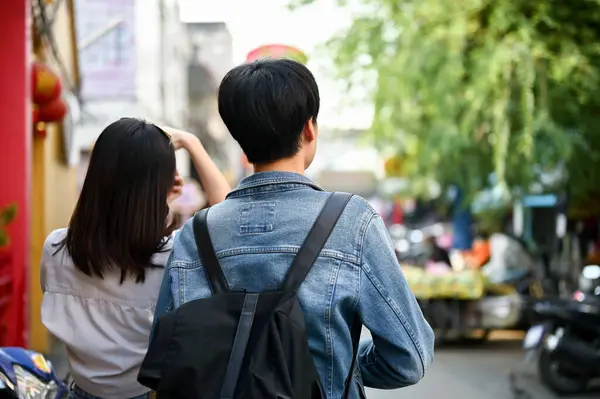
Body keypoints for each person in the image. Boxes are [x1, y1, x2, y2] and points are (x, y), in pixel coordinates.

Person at [152, 59, 434, 398]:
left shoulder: (194, 235)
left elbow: (166, 354)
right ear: (309, 130)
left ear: (241, 141)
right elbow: (409, 358)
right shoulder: (352, 222)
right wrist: (338, 367)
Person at [40, 118, 230, 399]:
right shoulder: (174, 254)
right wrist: (192, 142)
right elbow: (227, 217)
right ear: (162, 188)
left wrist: (160, 197)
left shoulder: (57, 247)